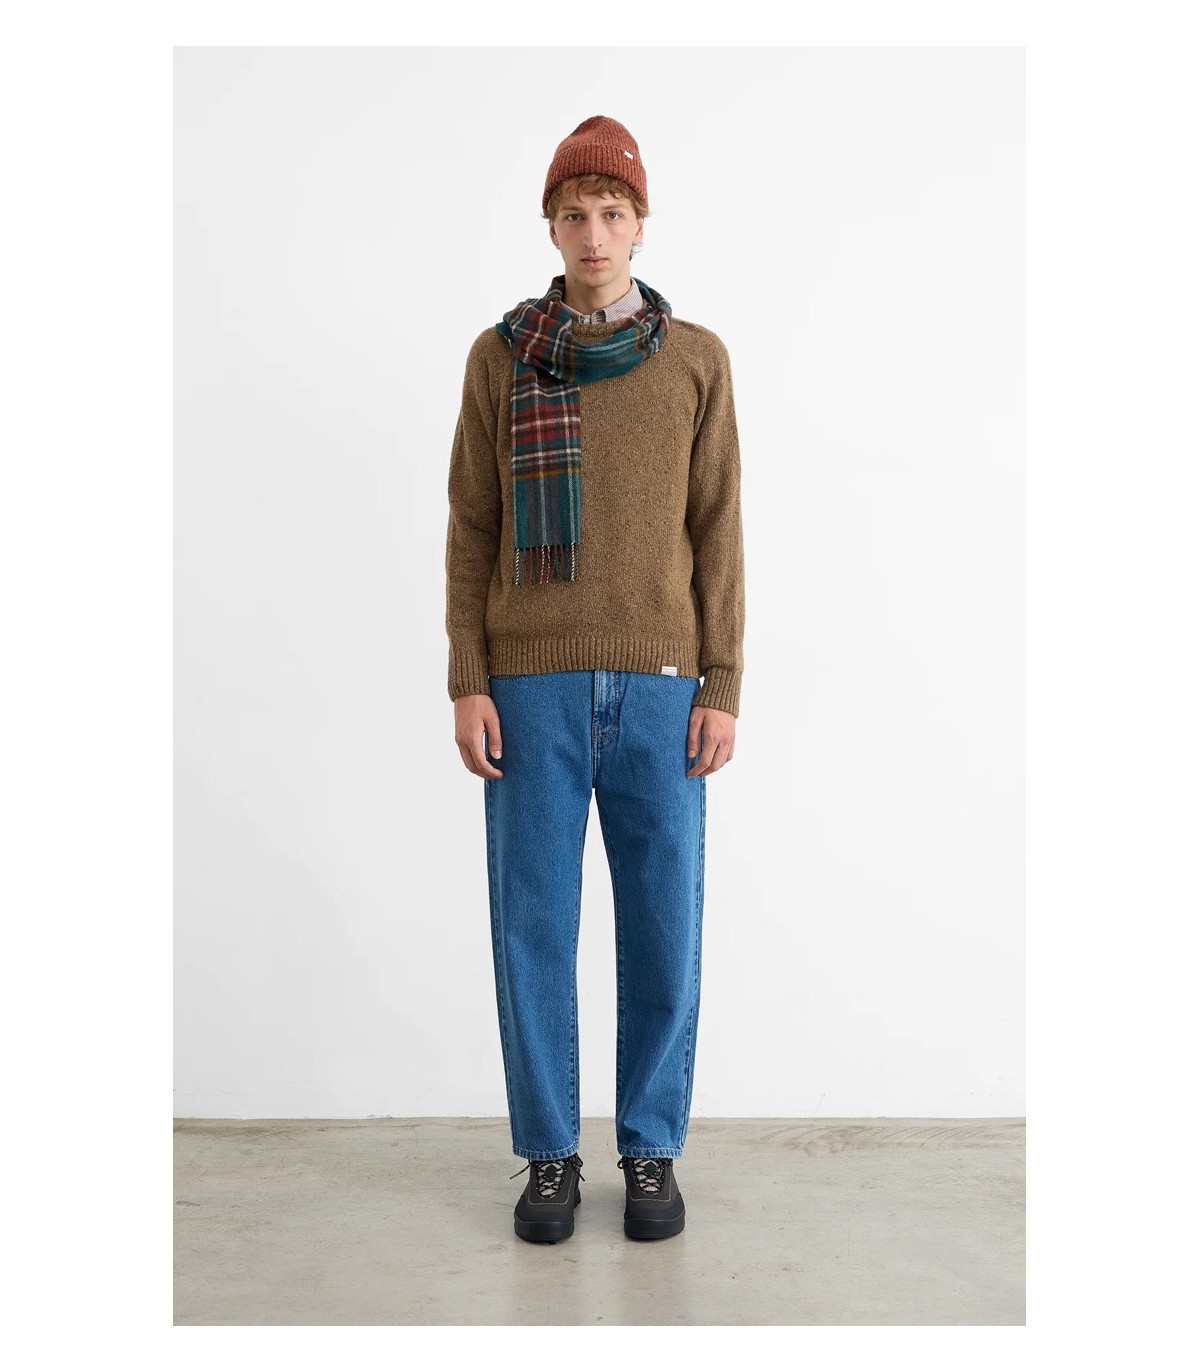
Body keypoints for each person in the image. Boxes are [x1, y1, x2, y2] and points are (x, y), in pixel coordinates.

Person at [444, 114, 745, 1243]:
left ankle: (651, 1145)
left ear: (641, 223)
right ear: (550, 225)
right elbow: (474, 527)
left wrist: (723, 681)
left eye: (612, 213)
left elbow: (718, 531)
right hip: (530, 685)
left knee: (664, 923)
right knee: (532, 924)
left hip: (663, 684)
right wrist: (468, 676)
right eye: (574, 214)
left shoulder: (697, 360)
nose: (594, 233)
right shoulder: (501, 356)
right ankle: (550, 1153)